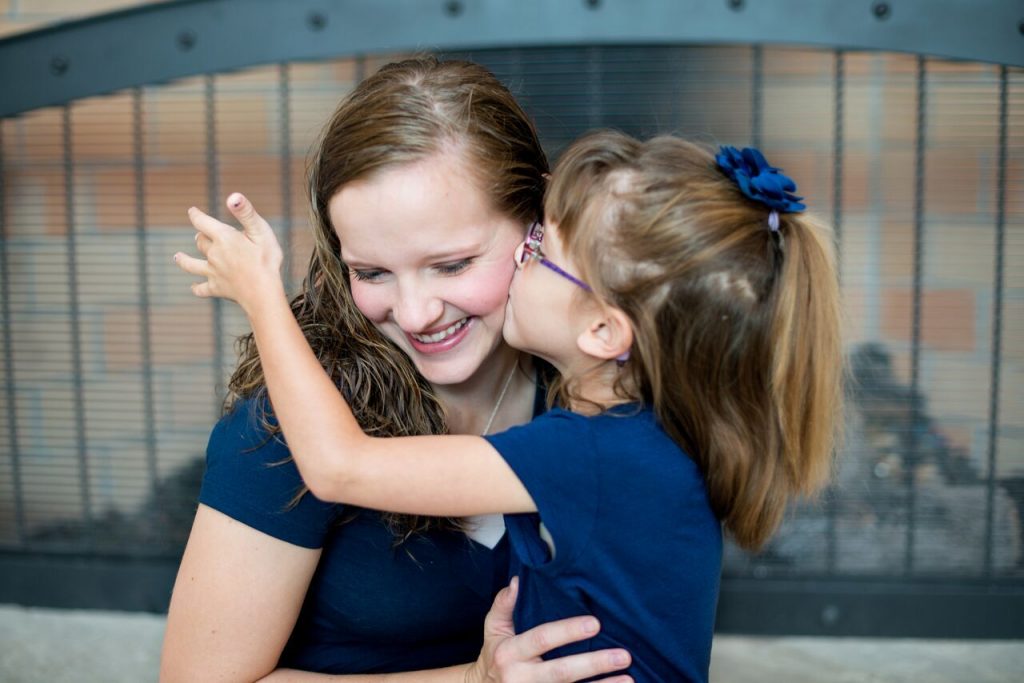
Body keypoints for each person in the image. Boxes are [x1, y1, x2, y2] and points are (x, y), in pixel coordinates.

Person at [177, 129, 845, 681]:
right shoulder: (646, 433)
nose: (415, 310)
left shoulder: (590, 451)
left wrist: (261, 295)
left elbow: (339, 465)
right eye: (373, 270)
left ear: (605, 330)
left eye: (536, 252)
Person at [161, 57, 633, 682]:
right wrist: (473, 680)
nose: (414, 315)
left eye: (453, 264)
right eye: (372, 273)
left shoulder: (590, 382)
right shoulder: (281, 432)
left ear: (542, 226)